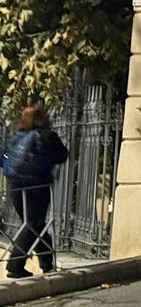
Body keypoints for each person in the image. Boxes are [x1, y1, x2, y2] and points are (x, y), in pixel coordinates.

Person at [3, 106, 69, 279]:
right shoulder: (48, 136)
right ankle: (15, 266)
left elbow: (4, 157)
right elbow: (62, 155)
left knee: (36, 225)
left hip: (15, 185)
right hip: (38, 185)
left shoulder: (17, 137)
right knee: (33, 224)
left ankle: (47, 264)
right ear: (43, 119)